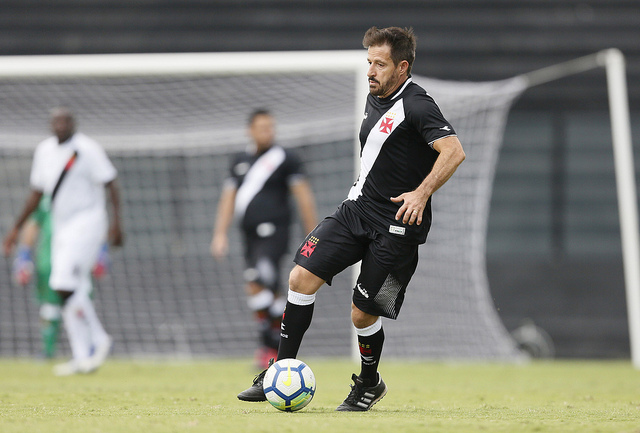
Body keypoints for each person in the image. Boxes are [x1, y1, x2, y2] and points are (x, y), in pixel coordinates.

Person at [237, 26, 466, 411]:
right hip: (356, 211)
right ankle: (278, 369)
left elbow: (454, 151)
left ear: (402, 67)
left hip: (398, 230)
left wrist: (421, 192)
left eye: (380, 64)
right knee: (299, 277)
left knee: (363, 313)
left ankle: (369, 383)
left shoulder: (418, 105)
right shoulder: (375, 95)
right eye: (369, 62)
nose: (371, 71)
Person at [3, 107, 124, 376]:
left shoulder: (87, 148)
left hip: (88, 221)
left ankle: (99, 339)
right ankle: (82, 356)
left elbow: (111, 183)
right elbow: (36, 193)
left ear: (73, 123)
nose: (60, 125)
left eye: (65, 121)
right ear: (50, 125)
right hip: (61, 225)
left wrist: (117, 224)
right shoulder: (44, 151)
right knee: (71, 286)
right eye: (56, 121)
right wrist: (15, 229)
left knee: (62, 283)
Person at [210, 109, 318, 368]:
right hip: (249, 236)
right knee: (269, 291)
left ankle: (269, 345)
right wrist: (220, 234)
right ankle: (275, 344)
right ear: (250, 130)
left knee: (257, 281)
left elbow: (303, 196)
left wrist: (313, 235)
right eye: (261, 127)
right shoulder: (239, 160)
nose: (267, 132)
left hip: (275, 232)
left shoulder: (285, 158)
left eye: (270, 127)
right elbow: (228, 199)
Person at [11, 196, 111, 359]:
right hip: (50, 260)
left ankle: (91, 346)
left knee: (79, 300)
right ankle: (51, 351)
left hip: (77, 258)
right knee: (51, 305)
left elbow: (96, 222)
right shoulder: (45, 198)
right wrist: (24, 255)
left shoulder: (83, 197)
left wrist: (101, 251)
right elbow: (32, 224)